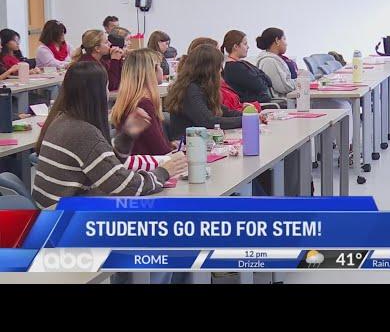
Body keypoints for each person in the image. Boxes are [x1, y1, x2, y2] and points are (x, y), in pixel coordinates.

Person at [32, 60, 187, 209]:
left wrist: (127, 135)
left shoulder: (63, 120)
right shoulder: (82, 133)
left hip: (52, 208)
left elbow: (106, 164)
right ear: (97, 93)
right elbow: (124, 186)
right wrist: (164, 172)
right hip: (64, 217)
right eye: (106, 87)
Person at [166, 44, 261, 140]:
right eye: (219, 67)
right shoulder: (190, 89)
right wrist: (246, 120)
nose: (220, 70)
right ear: (209, 69)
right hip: (190, 146)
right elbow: (207, 121)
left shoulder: (200, 87)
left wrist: (253, 116)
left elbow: (225, 112)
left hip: (202, 141)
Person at [111, 48, 173, 155]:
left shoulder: (135, 101)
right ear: (150, 72)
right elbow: (160, 150)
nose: (162, 70)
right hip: (149, 166)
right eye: (159, 66)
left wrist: (170, 146)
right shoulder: (143, 104)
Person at [180, 37, 262, 112]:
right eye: (217, 51)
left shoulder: (209, 85)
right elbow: (210, 119)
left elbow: (225, 111)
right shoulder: (194, 88)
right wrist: (246, 117)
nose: (220, 54)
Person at [222, 30, 274, 103]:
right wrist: (260, 75)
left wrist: (260, 76)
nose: (248, 47)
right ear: (236, 46)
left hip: (259, 104)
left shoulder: (242, 63)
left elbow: (269, 81)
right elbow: (261, 86)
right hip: (253, 108)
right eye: (245, 44)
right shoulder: (236, 68)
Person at [255, 27, 297, 99]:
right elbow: (285, 87)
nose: (286, 44)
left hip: (289, 98)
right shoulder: (269, 61)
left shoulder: (275, 59)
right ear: (277, 40)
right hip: (284, 102)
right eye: (284, 39)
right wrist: (301, 82)